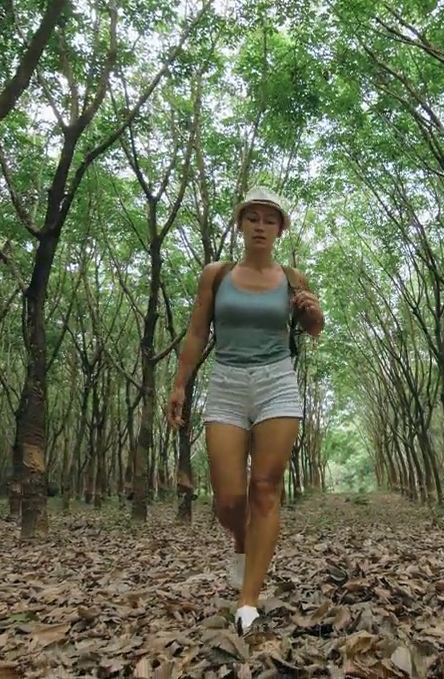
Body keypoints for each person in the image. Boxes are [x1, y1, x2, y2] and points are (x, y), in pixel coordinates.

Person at [165, 185, 325, 635]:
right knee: (229, 498)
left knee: (265, 489)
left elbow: (312, 330)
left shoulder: (293, 279)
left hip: (277, 383)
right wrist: (180, 384)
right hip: (227, 383)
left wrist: (313, 312)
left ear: (280, 229)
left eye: (269, 219)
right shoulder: (216, 274)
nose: (260, 225)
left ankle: (248, 601)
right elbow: (197, 333)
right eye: (252, 217)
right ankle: (240, 540)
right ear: (240, 225)